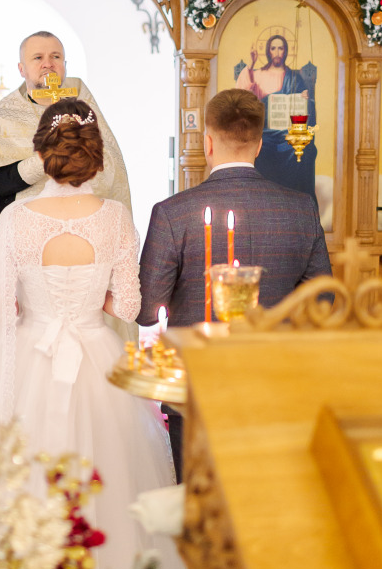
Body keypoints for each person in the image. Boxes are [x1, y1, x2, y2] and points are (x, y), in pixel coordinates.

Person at [0, 99, 205, 569]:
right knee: (115, 486)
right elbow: (129, 305)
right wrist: (89, 301)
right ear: (95, 160)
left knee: (33, 488)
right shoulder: (115, 218)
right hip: (98, 360)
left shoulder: (17, 219)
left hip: (32, 356)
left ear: (42, 155)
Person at [0, 31, 132, 434]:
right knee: (4, 333)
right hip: (22, 242)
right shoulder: (4, 118)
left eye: (56, 56)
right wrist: (37, 166)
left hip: (79, 240)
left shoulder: (87, 113)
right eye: (38, 57)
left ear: (66, 64)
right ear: (21, 69)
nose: (48, 64)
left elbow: (110, 174)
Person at [138, 88, 332, 478]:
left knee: (197, 506)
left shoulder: (173, 213)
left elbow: (147, 309)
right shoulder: (301, 208)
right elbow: (323, 301)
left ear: (207, 142)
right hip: (275, 382)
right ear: (259, 145)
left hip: (196, 383)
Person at [235, 33, 317, 198]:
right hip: (265, 131)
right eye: (274, 48)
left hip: (288, 132)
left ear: (286, 51)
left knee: (305, 149)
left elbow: (306, 108)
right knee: (259, 147)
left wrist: (306, 99)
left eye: (281, 48)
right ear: (268, 51)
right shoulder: (257, 74)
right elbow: (243, 97)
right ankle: (264, 197)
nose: (277, 52)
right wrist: (251, 64)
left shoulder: (294, 77)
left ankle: (297, 199)